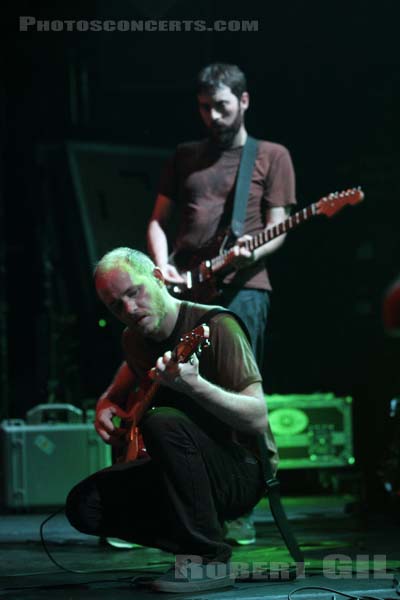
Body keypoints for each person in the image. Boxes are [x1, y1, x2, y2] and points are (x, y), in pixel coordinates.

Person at [65, 247, 278, 593]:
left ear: (159, 278)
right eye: (116, 305)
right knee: (85, 505)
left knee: (161, 422)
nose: (130, 309)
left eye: (134, 292)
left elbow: (256, 418)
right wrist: (106, 402)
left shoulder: (217, 326)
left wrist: (195, 386)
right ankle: (190, 542)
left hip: (241, 470)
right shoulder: (133, 338)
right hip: (182, 473)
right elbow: (129, 378)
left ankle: (207, 560)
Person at [147, 62, 296, 542]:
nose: (213, 116)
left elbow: (280, 225)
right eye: (205, 107)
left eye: (222, 106)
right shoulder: (184, 155)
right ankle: (190, 500)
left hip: (245, 288)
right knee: (177, 391)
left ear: (245, 101)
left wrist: (254, 247)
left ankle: (242, 501)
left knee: (237, 394)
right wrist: (160, 263)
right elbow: (158, 221)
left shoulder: (271, 155)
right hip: (185, 288)